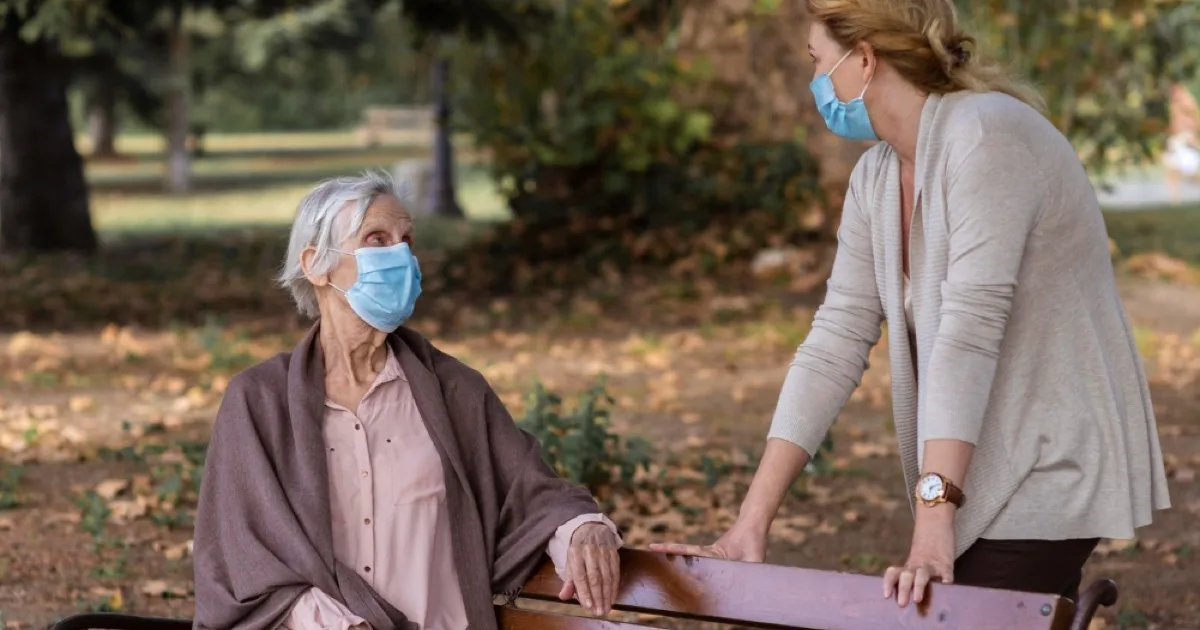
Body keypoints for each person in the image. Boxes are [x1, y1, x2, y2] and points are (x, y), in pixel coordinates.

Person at [652, 0, 1170, 609]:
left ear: (864, 59)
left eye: (818, 63)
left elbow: (969, 331)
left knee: (949, 615)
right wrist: (750, 523)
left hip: (1051, 457)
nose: (815, 83)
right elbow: (834, 343)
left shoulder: (985, 137)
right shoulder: (875, 177)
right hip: (974, 471)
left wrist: (932, 520)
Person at [193, 172, 622, 630]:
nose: (400, 255)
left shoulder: (455, 391)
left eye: (407, 240)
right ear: (316, 264)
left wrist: (581, 528)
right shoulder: (259, 402)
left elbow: (532, 491)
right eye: (376, 239)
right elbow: (241, 559)